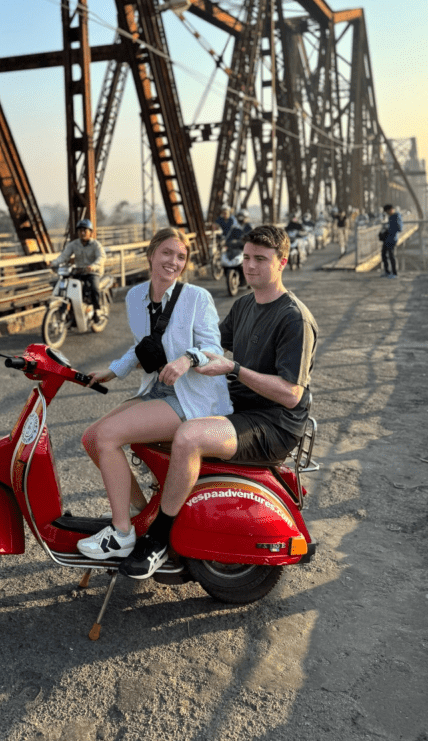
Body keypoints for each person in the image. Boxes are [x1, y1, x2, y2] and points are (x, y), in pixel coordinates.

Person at [116, 224, 318, 581]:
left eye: (261, 259)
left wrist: (235, 368)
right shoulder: (244, 305)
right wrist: (141, 359)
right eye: (246, 257)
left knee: (189, 436)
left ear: (282, 262)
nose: (250, 266)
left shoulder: (294, 317)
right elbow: (204, 345)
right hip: (239, 407)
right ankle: (147, 514)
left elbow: (291, 394)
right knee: (137, 422)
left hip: (272, 422)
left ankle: (159, 539)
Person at [77, 227, 232, 562]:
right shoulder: (135, 297)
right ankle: (140, 514)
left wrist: (186, 359)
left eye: (180, 257)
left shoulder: (196, 298)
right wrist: (114, 369)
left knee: (106, 437)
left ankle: (121, 534)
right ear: (151, 255)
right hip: (156, 388)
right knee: (90, 438)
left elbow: (213, 350)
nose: (173, 262)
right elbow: (143, 344)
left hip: (191, 397)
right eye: (166, 253)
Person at [52, 217, 106, 316]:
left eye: (85, 230)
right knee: (67, 286)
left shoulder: (96, 245)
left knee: (94, 287)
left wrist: (93, 266)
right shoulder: (73, 244)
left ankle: (97, 309)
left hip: (93, 272)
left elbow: (101, 257)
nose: (82, 233)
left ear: (90, 232)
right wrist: (54, 263)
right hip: (79, 271)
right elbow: (64, 256)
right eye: (80, 230)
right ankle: (68, 310)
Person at [381, 203, 403, 279]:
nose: (387, 214)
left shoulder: (397, 216)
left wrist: (389, 230)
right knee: (383, 255)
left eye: (387, 212)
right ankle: (387, 271)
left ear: (391, 210)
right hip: (387, 239)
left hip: (392, 239)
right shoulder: (390, 217)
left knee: (391, 256)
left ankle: (394, 273)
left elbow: (399, 228)